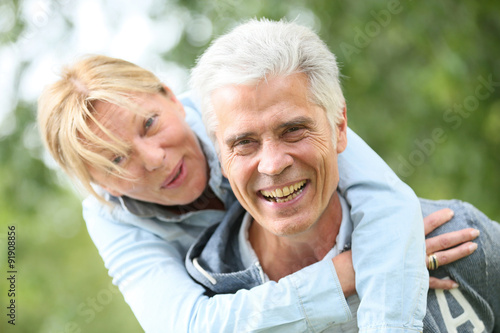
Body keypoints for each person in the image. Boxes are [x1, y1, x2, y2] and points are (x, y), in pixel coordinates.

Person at [37, 53, 478, 332]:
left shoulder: (237, 107)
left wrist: (392, 264)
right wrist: (351, 270)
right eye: (116, 160)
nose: (152, 158)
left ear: (171, 96)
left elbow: (382, 198)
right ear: (100, 185)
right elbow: (189, 326)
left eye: (149, 123)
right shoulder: (111, 217)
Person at [188, 19, 500, 332]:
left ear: (339, 127)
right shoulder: (204, 299)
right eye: (244, 143)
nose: (272, 165)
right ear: (221, 159)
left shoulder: (456, 240)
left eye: (294, 130)